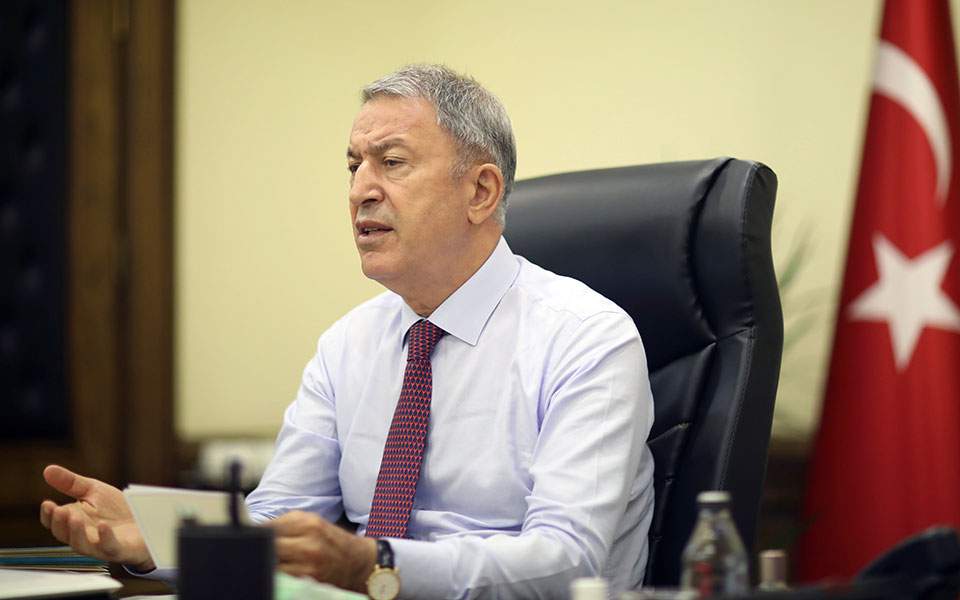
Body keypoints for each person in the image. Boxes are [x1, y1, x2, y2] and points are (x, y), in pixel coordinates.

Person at [39, 64, 655, 598]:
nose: (361, 190)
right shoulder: (347, 345)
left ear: (480, 191)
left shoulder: (587, 339)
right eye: (354, 166)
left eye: (392, 163)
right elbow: (278, 519)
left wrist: (376, 563)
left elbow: (568, 560)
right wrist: (159, 537)